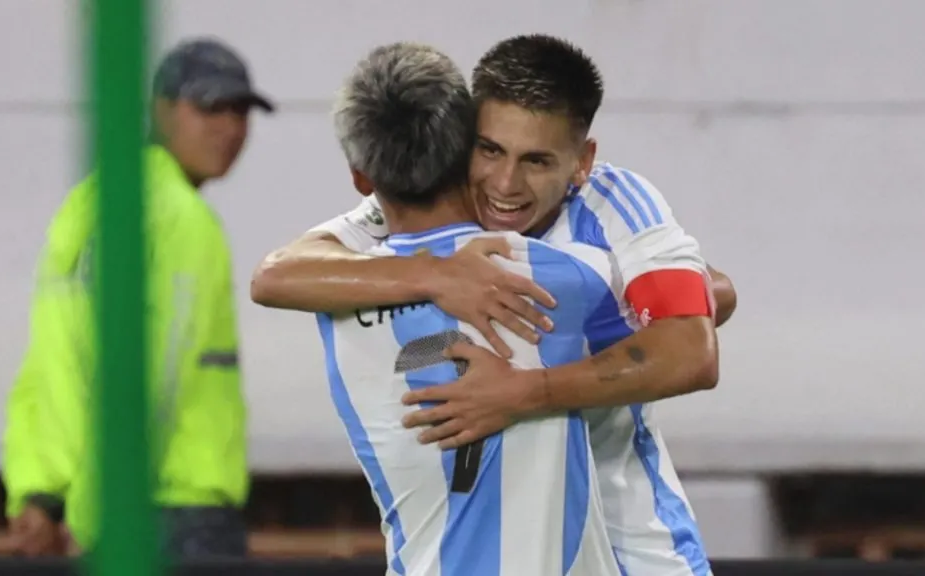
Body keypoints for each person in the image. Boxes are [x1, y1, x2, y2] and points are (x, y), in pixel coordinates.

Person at [254, 35, 723, 575]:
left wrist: (526, 392)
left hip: (640, 550)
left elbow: (692, 342)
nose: (504, 184)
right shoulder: (425, 199)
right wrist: (434, 275)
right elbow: (277, 274)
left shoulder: (614, 207)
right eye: (491, 150)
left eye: (537, 161)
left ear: (581, 162)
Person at [314, 42, 623, 575]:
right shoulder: (561, 276)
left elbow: (276, 276)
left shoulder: (334, 304)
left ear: (362, 179)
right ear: (466, 150)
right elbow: (695, 314)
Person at [1, 37, 273, 558]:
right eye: (211, 107)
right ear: (160, 109)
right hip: (174, 512)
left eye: (241, 111)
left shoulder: (90, 202)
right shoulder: (185, 220)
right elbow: (157, 378)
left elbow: (49, 368)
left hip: (92, 500)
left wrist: (40, 495)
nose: (231, 128)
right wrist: (99, 513)